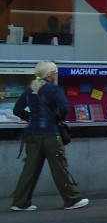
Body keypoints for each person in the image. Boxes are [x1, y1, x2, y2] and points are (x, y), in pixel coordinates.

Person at [9, 60, 89, 211]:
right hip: (50, 135)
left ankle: (20, 202)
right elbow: (64, 107)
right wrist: (57, 118)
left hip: (32, 134)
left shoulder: (30, 90)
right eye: (55, 73)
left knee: (29, 169)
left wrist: (31, 118)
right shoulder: (54, 90)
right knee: (59, 168)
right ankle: (72, 199)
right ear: (50, 74)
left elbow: (17, 110)